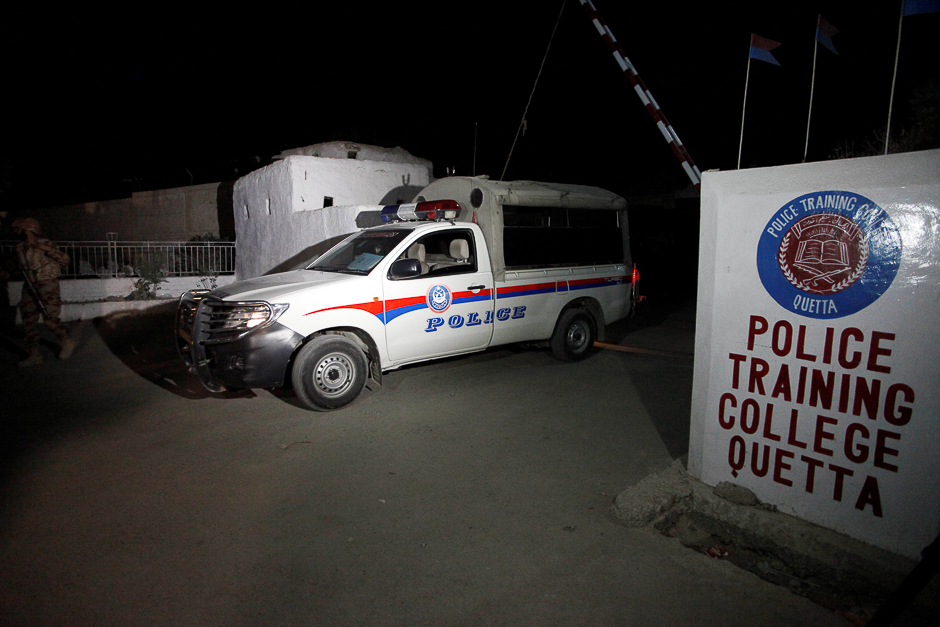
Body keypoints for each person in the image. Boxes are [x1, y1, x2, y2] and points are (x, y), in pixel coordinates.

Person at [11, 217, 75, 366]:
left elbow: (65, 260)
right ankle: (34, 354)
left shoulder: (45, 244)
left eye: (18, 228)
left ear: (28, 229)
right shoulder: (20, 247)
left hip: (47, 284)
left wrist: (47, 249)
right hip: (29, 284)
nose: (16, 232)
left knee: (50, 318)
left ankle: (66, 340)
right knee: (28, 318)